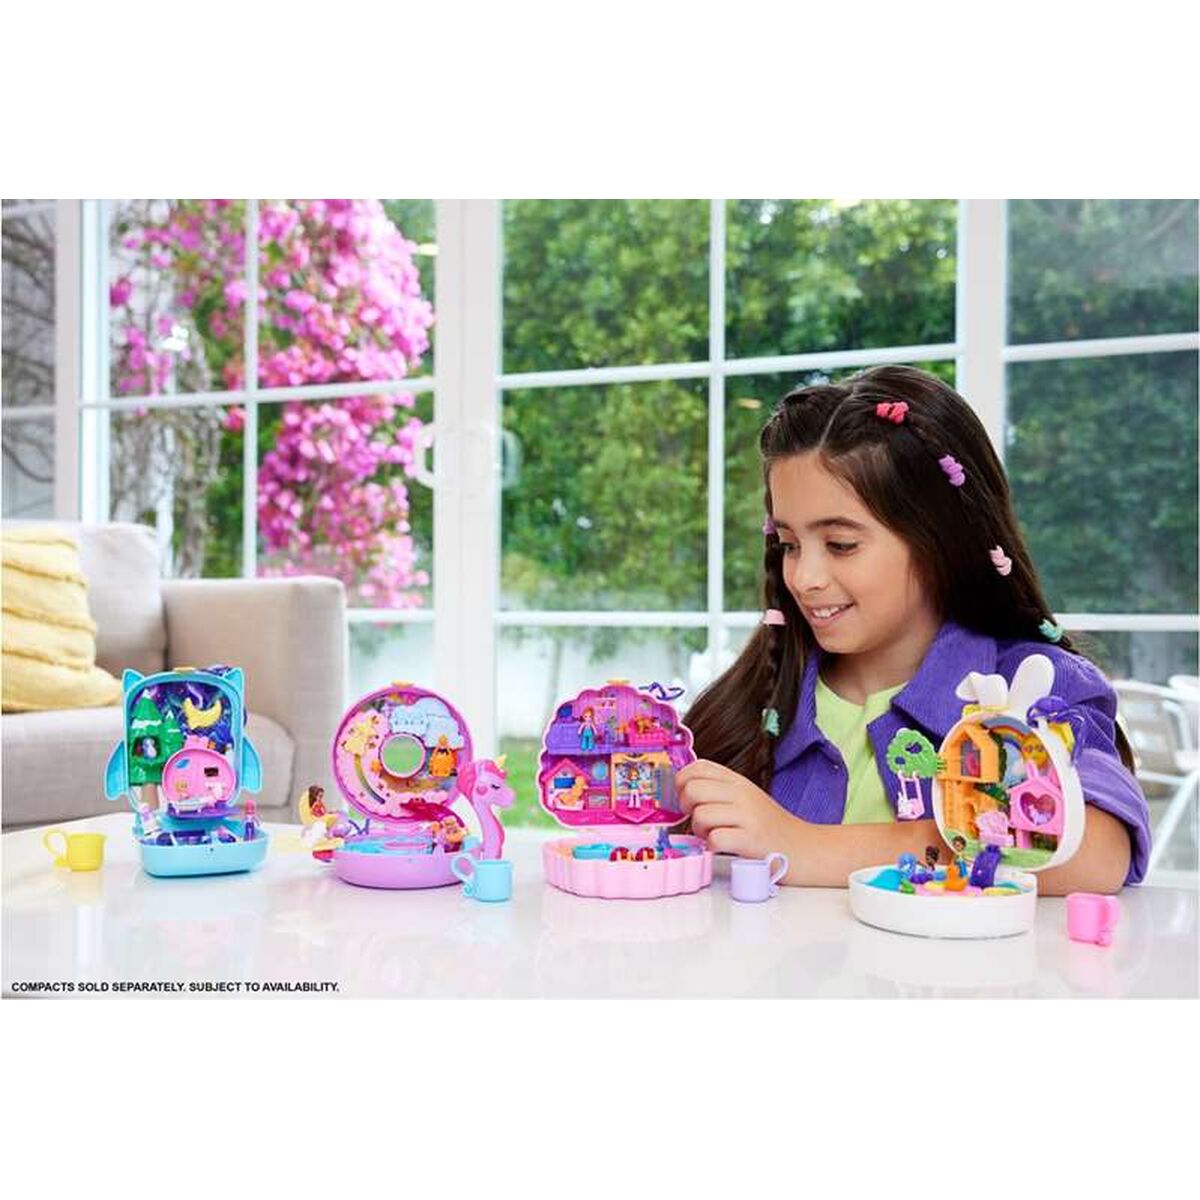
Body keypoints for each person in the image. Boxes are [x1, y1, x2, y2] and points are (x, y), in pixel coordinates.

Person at [680, 365, 1149, 894]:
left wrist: (802, 844)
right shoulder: (748, 707)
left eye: (841, 545)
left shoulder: (1035, 685)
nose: (804, 578)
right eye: (789, 545)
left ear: (939, 542)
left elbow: (1099, 853)